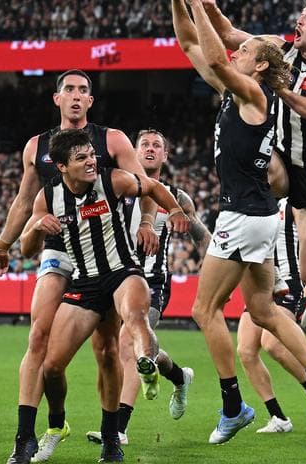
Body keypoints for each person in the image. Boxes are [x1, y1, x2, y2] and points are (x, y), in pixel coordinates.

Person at [171, 0, 306, 445]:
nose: (238, 50)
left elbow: (212, 50)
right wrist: (178, 3)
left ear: (260, 65)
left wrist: (194, 0)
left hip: (243, 214)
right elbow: (193, 45)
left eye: (246, 50)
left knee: (204, 311)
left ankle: (233, 406)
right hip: (264, 217)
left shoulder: (251, 93)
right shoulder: (238, 89)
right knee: (265, 310)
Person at [0, 70, 140, 464]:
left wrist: (146, 226)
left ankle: (110, 437)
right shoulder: (36, 147)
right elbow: (25, 202)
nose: (76, 96)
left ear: (91, 101)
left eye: (83, 90)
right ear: (56, 99)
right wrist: (3, 244)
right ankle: (26, 437)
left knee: (105, 350)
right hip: (59, 251)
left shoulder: (114, 140)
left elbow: (143, 187)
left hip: (105, 255)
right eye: (68, 90)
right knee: (38, 338)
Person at [17, 128, 189, 464]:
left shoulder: (114, 180)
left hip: (123, 271)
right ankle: (56, 423)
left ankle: (115, 434)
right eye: (81, 158)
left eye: (92, 155)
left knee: (130, 325)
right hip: (84, 283)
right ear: (62, 166)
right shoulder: (48, 197)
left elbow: (153, 187)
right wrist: (37, 228)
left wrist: (175, 212)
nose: (91, 161)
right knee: (51, 368)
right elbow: (26, 248)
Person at [198, 0, 306, 330]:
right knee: (253, 178)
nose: (300, 20)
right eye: (301, 13)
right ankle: (250, 273)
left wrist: (282, 89)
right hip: (280, 157)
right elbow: (228, 35)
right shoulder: (280, 49)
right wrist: (210, 7)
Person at [85, 128, 210, 448]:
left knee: (128, 344)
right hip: (114, 279)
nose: (151, 149)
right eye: (145, 145)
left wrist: (216, 274)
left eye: (157, 145)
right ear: (134, 152)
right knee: (130, 349)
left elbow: (202, 239)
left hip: (153, 282)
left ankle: (118, 428)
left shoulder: (177, 197)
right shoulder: (116, 187)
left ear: (166, 155)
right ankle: (179, 376)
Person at [237, 198, 306, 435]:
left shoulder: (292, 203)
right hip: (259, 286)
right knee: (246, 351)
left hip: (289, 283)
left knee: (273, 344)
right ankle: (278, 417)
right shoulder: (248, 203)